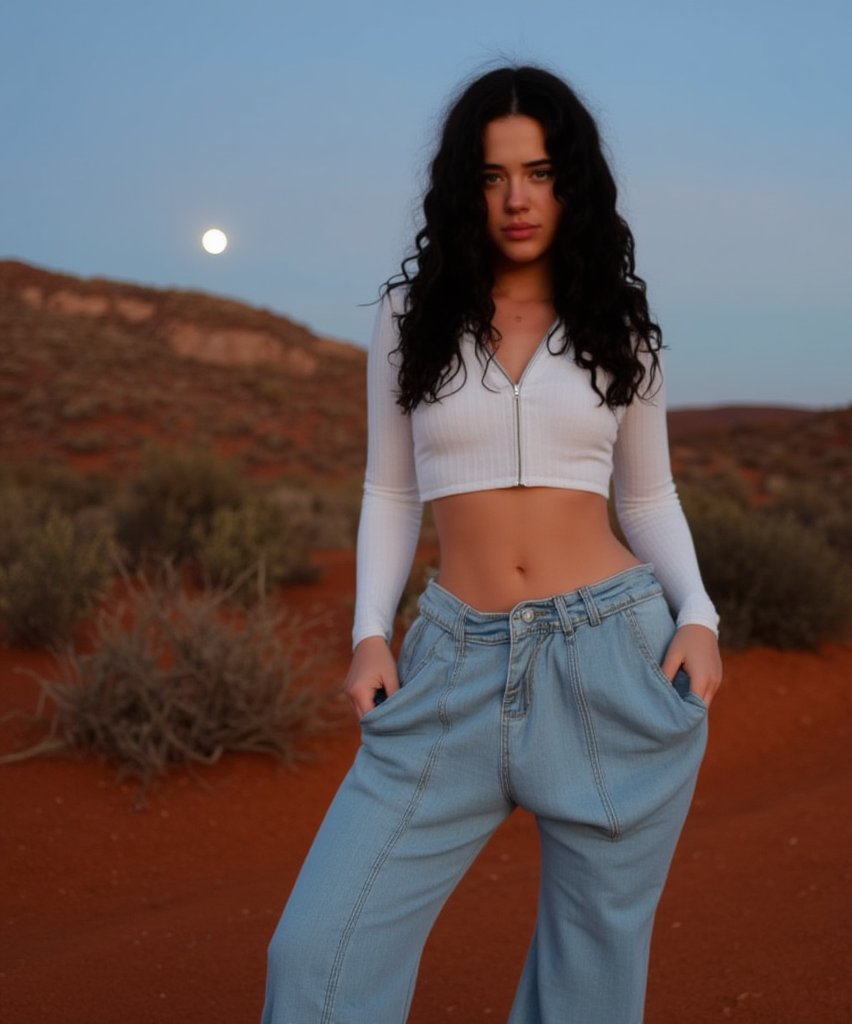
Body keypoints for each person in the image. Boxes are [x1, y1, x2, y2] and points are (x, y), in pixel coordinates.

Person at [263, 65, 722, 1024]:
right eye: (492, 175)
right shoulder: (411, 314)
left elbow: (648, 496)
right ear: (463, 187)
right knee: (317, 958)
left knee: (588, 986)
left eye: (541, 171)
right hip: (451, 665)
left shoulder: (621, 326)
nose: (518, 197)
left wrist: (699, 615)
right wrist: (369, 632)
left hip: (613, 663)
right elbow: (389, 489)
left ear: (574, 182)